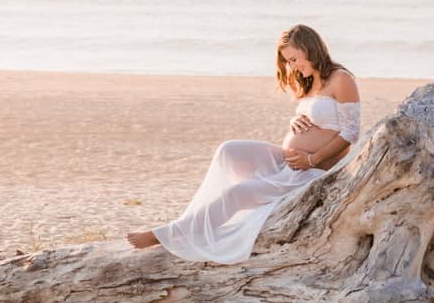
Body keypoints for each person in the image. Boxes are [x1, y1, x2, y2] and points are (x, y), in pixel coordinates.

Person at [125, 25, 361, 263]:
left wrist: (312, 159)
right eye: (288, 61)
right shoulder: (309, 81)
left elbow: (351, 133)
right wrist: (297, 120)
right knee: (229, 151)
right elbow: (320, 117)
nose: (292, 66)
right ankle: (248, 198)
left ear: (310, 49)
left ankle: (170, 233)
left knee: (238, 193)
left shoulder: (341, 79)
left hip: (313, 171)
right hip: (290, 163)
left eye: (294, 59)